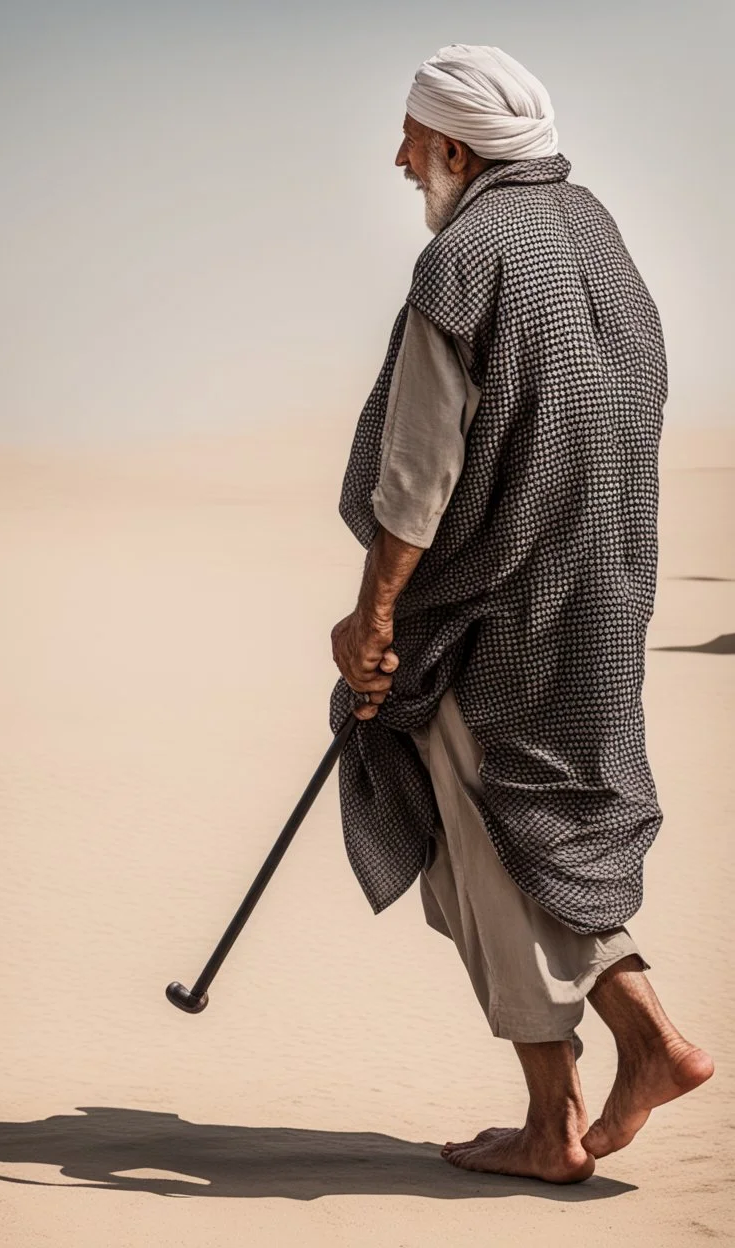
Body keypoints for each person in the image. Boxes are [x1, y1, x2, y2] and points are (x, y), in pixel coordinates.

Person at [329, 43, 713, 1184]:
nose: (400, 159)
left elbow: (417, 473)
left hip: (494, 610)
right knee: (541, 829)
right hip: (597, 593)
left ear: (454, 147)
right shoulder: (592, 232)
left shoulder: (467, 258)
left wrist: (377, 618)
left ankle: (604, 1080)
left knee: (495, 841)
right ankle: (595, 1083)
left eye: (411, 139)